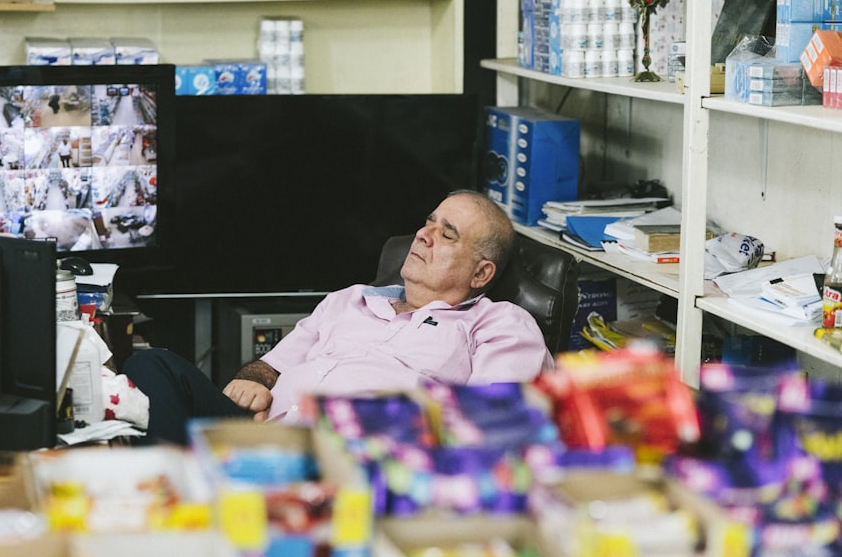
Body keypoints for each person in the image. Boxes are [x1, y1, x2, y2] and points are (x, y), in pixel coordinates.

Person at [123, 189, 553, 445]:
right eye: (429, 222)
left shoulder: (498, 324)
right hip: (267, 432)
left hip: (357, 450)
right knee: (151, 363)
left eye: (447, 234)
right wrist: (254, 379)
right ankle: (168, 487)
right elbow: (270, 365)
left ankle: (193, 489)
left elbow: (489, 423)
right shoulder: (351, 300)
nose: (424, 235)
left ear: (482, 273)